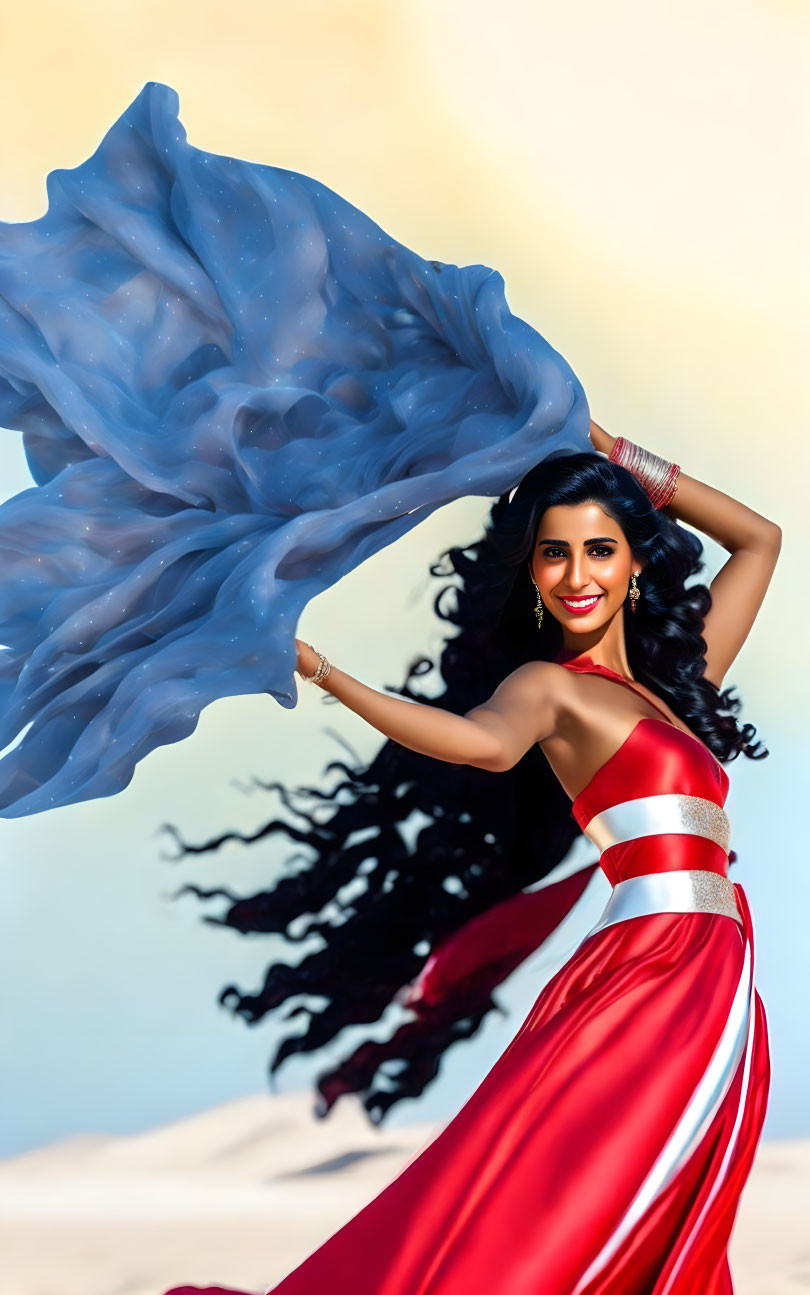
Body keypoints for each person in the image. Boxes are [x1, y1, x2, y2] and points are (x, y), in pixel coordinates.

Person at [162, 420, 779, 1295]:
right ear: (529, 573)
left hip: (708, 966)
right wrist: (329, 672)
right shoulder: (548, 688)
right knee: (599, 1183)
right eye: (553, 555)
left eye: (599, 549)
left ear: (636, 561)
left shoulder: (679, 682)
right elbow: (475, 742)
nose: (576, 576)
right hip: (650, 963)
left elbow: (760, 539)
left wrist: (610, 446)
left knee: (666, 1182)